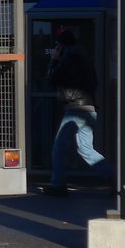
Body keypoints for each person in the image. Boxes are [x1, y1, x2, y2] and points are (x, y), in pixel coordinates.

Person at [42, 29, 113, 196]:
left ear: (61, 45)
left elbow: (52, 79)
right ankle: (113, 176)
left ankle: (58, 184)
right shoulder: (83, 58)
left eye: (57, 45)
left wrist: (54, 61)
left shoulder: (69, 59)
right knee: (85, 148)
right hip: (88, 107)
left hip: (75, 109)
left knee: (59, 147)